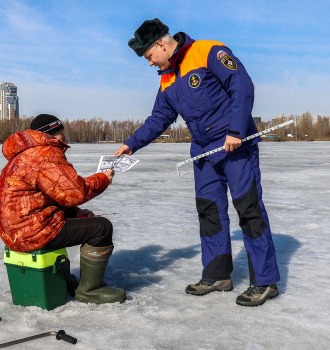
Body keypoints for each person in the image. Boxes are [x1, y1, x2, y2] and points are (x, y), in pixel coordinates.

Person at [118, 18, 280, 306]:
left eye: (149, 56)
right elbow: (159, 118)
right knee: (209, 212)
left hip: (234, 146)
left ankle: (265, 281)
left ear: (160, 45)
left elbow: (242, 86)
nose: (150, 63)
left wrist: (236, 130)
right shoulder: (167, 77)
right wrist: (131, 144)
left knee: (249, 210)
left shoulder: (207, 51)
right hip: (204, 153)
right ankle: (217, 275)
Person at [0, 113, 126, 304]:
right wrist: (103, 178)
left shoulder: (23, 155)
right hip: (31, 232)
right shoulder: (46, 155)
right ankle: (91, 290)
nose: (65, 136)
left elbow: (50, 195)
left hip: (13, 231)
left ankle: (61, 278)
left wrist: (76, 213)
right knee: (101, 227)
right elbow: (75, 193)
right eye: (62, 131)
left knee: (81, 217)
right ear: (55, 133)